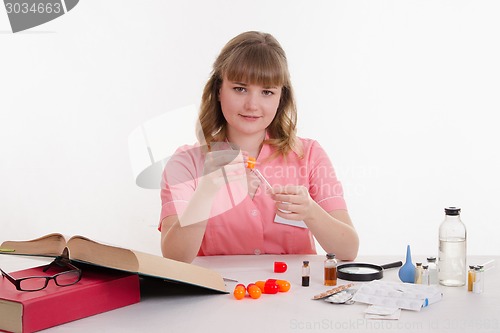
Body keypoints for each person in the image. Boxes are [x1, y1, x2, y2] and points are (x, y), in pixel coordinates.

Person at [159, 31, 359, 263]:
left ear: (281, 98)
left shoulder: (309, 154)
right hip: (216, 296)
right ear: (218, 91)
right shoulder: (186, 162)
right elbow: (174, 257)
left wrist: (310, 212)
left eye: (267, 92)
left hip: (292, 295)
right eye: (240, 88)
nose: (252, 105)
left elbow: (348, 250)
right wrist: (205, 193)